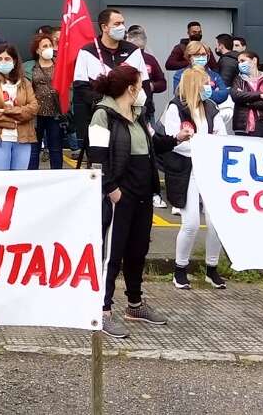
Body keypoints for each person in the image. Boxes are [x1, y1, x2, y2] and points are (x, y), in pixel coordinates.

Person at [87, 65, 191, 339]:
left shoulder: (138, 114)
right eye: (140, 84)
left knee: (137, 249)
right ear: (130, 88)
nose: (144, 89)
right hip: (121, 192)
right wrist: (111, 189)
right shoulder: (103, 115)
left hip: (143, 191)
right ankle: (102, 309)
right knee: (113, 252)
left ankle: (135, 304)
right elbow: (97, 157)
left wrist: (175, 139)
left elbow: (153, 143)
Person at [161, 67, 228, 291]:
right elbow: (174, 142)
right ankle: (180, 269)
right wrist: (201, 147)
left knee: (215, 223)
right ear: (195, 85)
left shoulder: (211, 107)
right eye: (205, 83)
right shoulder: (175, 107)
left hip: (209, 170)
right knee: (190, 223)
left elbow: (221, 136)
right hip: (186, 171)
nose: (209, 87)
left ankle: (212, 268)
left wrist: (205, 147)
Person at [72, 9, 149, 154]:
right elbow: (80, 87)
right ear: (104, 27)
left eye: (123, 23)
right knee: (100, 159)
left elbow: (144, 84)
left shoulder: (133, 51)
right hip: (100, 117)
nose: (122, 27)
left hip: (130, 117)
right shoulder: (87, 52)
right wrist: (106, 104)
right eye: (117, 23)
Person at [0, 43, 38, 171]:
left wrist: (8, 111)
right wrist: (15, 121)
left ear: (14, 61)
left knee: (18, 183)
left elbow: (33, 108)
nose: (3, 62)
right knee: (0, 184)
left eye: (7, 59)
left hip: (22, 140)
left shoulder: (25, 82)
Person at [28, 34, 63, 170]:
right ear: (37, 50)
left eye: (50, 45)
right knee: (34, 149)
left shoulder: (60, 65)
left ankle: (58, 176)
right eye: (44, 46)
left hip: (55, 113)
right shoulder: (30, 67)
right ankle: (32, 176)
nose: (48, 48)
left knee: (55, 148)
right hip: (36, 115)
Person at [231, 50, 263, 138]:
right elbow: (235, 96)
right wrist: (259, 95)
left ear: (254, 60)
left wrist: (246, 102)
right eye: (239, 62)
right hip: (242, 127)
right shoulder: (239, 80)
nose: (240, 64)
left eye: (243, 61)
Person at [125, 25, 167, 125]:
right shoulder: (123, 58)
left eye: (141, 36)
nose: (138, 39)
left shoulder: (150, 59)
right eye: (135, 36)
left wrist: (152, 86)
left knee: (150, 138)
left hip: (147, 109)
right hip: (126, 108)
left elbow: (162, 83)